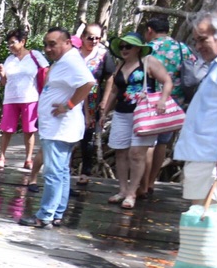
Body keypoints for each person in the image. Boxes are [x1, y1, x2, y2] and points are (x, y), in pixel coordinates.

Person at [149, 11, 217, 268]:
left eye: (203, 39)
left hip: (214, 155)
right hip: (206, 153)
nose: (198, 45)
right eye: (196, 40)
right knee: (205, 214)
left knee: (204, 216)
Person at [18, 28, 95, 229]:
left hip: (60, 128)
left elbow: (88, 83)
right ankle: (57, 213)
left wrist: (68, 105)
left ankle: (44, 215)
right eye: (46, 44)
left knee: (53, 172)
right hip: (58, 128)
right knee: (61, 171)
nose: (48, 48)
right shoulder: (66, 61)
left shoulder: (71, 60)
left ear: (67, 42)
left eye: (53, 43)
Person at [97, 33, 174, 209]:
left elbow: (167, 81)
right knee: (120, 152)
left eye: (128, 46)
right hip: (122, 114)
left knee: (137, 154)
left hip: (144, 115)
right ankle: (122, 190)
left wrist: (162, 100)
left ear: (138, 48)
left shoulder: (148, 62)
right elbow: (115, 91)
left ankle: (133, 192)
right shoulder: (120, 65)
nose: (124, 49)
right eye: (122, 46)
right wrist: (104, 113)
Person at [139, 16, 195, 197]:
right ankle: (151, 182)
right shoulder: (182, 48)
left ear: (149, 30)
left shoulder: (148, 49)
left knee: (149, 144)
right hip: (173, 105)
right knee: (162, 143)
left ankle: (143, 184)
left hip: (150, 103)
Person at [0, 28, 47, 169]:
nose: (10, 46)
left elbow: (47, 72)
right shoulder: (9, 60)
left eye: (13, 42)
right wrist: (2, 74)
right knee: (7, 129)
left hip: (30, 98)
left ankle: (28, 159)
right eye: (8, 43)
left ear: (22, 42)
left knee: (29, 130)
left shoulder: (35, 56)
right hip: (10, 99)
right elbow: (4, 82)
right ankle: (2, 157)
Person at [78, 23, 114, 184]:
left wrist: (105, 101)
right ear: (83, 37)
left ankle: (85, 171)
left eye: (97, 38)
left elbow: (110, 77)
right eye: (90, 37)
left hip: (93, 100)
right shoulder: (74, 54)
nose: (94, 41)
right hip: (72, 97)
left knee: (88, 136)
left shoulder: (103, 54)